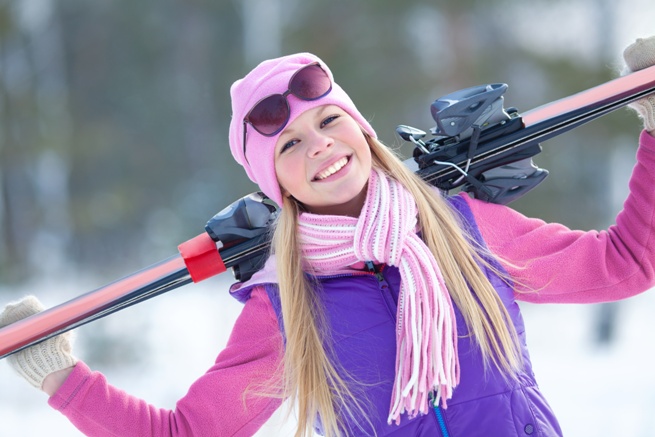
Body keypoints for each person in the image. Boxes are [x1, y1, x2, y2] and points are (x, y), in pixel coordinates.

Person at [2, 36, 655, 437]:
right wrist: (62, 378)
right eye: (289, 143)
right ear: (274, 180)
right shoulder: (284, 306)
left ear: (362, 130)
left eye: (328, 121)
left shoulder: (462, 228)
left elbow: (626, 263)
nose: (320, 147)